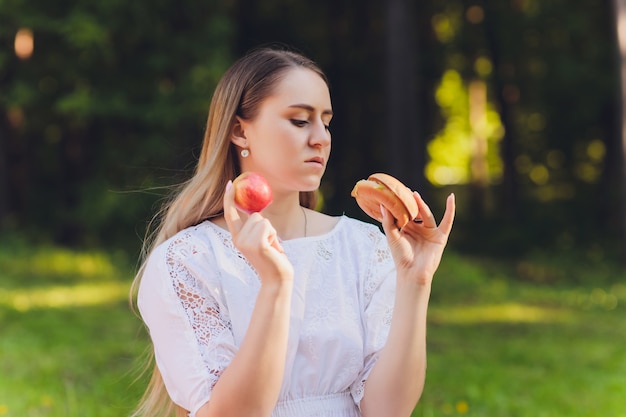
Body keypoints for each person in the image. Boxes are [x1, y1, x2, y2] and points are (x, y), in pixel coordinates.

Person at [130, 45, 455, 417]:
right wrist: (275, 284)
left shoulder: (364, 247)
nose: (321, 138)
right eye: (300, 121)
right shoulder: (187, 260)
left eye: (326, 122)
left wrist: (415, 283)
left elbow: (386, 411)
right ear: (240, 132)